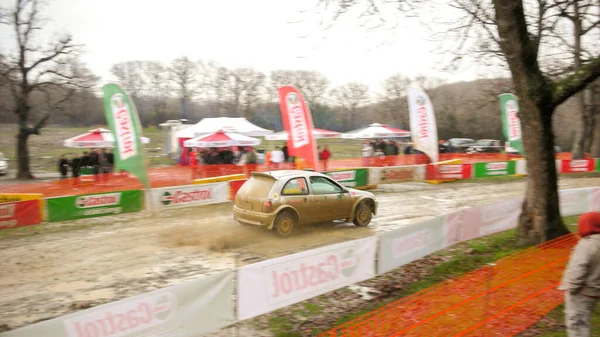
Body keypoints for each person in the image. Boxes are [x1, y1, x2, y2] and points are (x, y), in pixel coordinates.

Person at [559, 212, 600, 337]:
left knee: (577, 324)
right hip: (594, 290)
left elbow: (578, 268)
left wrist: (572, 288)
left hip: (581, 292)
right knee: (583, 321)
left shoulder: (586, 245)